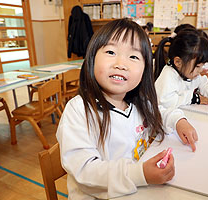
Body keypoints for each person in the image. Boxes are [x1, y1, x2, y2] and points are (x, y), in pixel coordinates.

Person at [56, 19, 175, 200]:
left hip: (138, 188)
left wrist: (178, 121)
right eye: (111, 52)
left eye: (133, 57)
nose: (121, 63)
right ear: (92, 59)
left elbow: (161, 113)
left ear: (145, 69)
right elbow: (84, 171)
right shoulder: (79, 110)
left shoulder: (139, 103)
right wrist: (139, 174)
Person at [154, 30, 208, 137]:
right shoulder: (168, 76)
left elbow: (204, 84)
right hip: (165, 129)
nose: (200, 70)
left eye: (202, 66)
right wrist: (193, 98)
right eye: (197, 67)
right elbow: (166, 103)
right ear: (178, 62)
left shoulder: (189, 72)